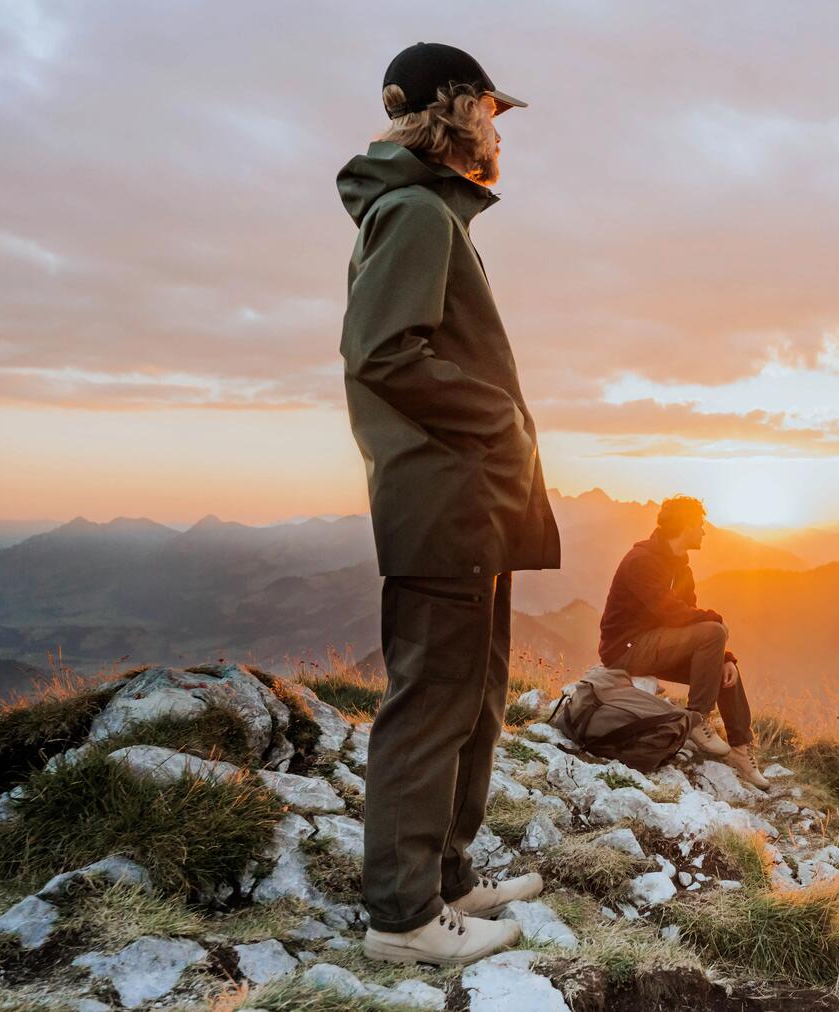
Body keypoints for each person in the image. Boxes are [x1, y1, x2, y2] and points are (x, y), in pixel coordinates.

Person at [337, 42, 560, 967]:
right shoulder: (419, 212)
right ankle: (402, 919)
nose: (498, 129)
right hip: (446, 500)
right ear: (458, 107)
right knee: (435, 703)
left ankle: (446, 877)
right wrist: (499, 419)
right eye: (491, 112)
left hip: (468, 500)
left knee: (475, 700)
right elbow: (383, 352)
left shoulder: (434, 213)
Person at [599, 496, 771, 789]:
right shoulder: (642, 561)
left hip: (657, 644)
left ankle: (741, 750)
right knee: (714, 631)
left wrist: (726, 657)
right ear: (684, 526)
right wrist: (717, 621)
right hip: (626, 650)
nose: (704, 531)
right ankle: (697, 719)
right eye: (700, 525)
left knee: (725, 669)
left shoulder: (681, 567)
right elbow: (669, 612)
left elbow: (691, 619)